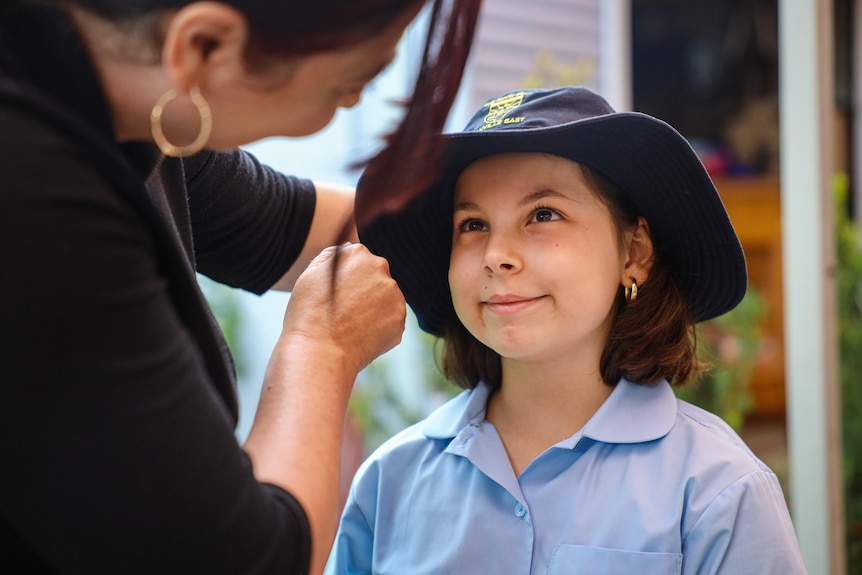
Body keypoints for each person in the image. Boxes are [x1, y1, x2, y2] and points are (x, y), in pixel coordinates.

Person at [0, 0, 481, 573]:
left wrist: (484, 219)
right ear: (205, 46)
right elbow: (248, 559)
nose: (354, 102)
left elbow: (289, 225)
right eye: (353, 81)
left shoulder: (142, 110)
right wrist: (321, 346)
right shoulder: (32, 196)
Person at [326, 87, 807, 574]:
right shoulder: (390, 481)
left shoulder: (718, 490)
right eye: (472, 224)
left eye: (543, 214)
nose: (497, 255)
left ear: (634, 253)